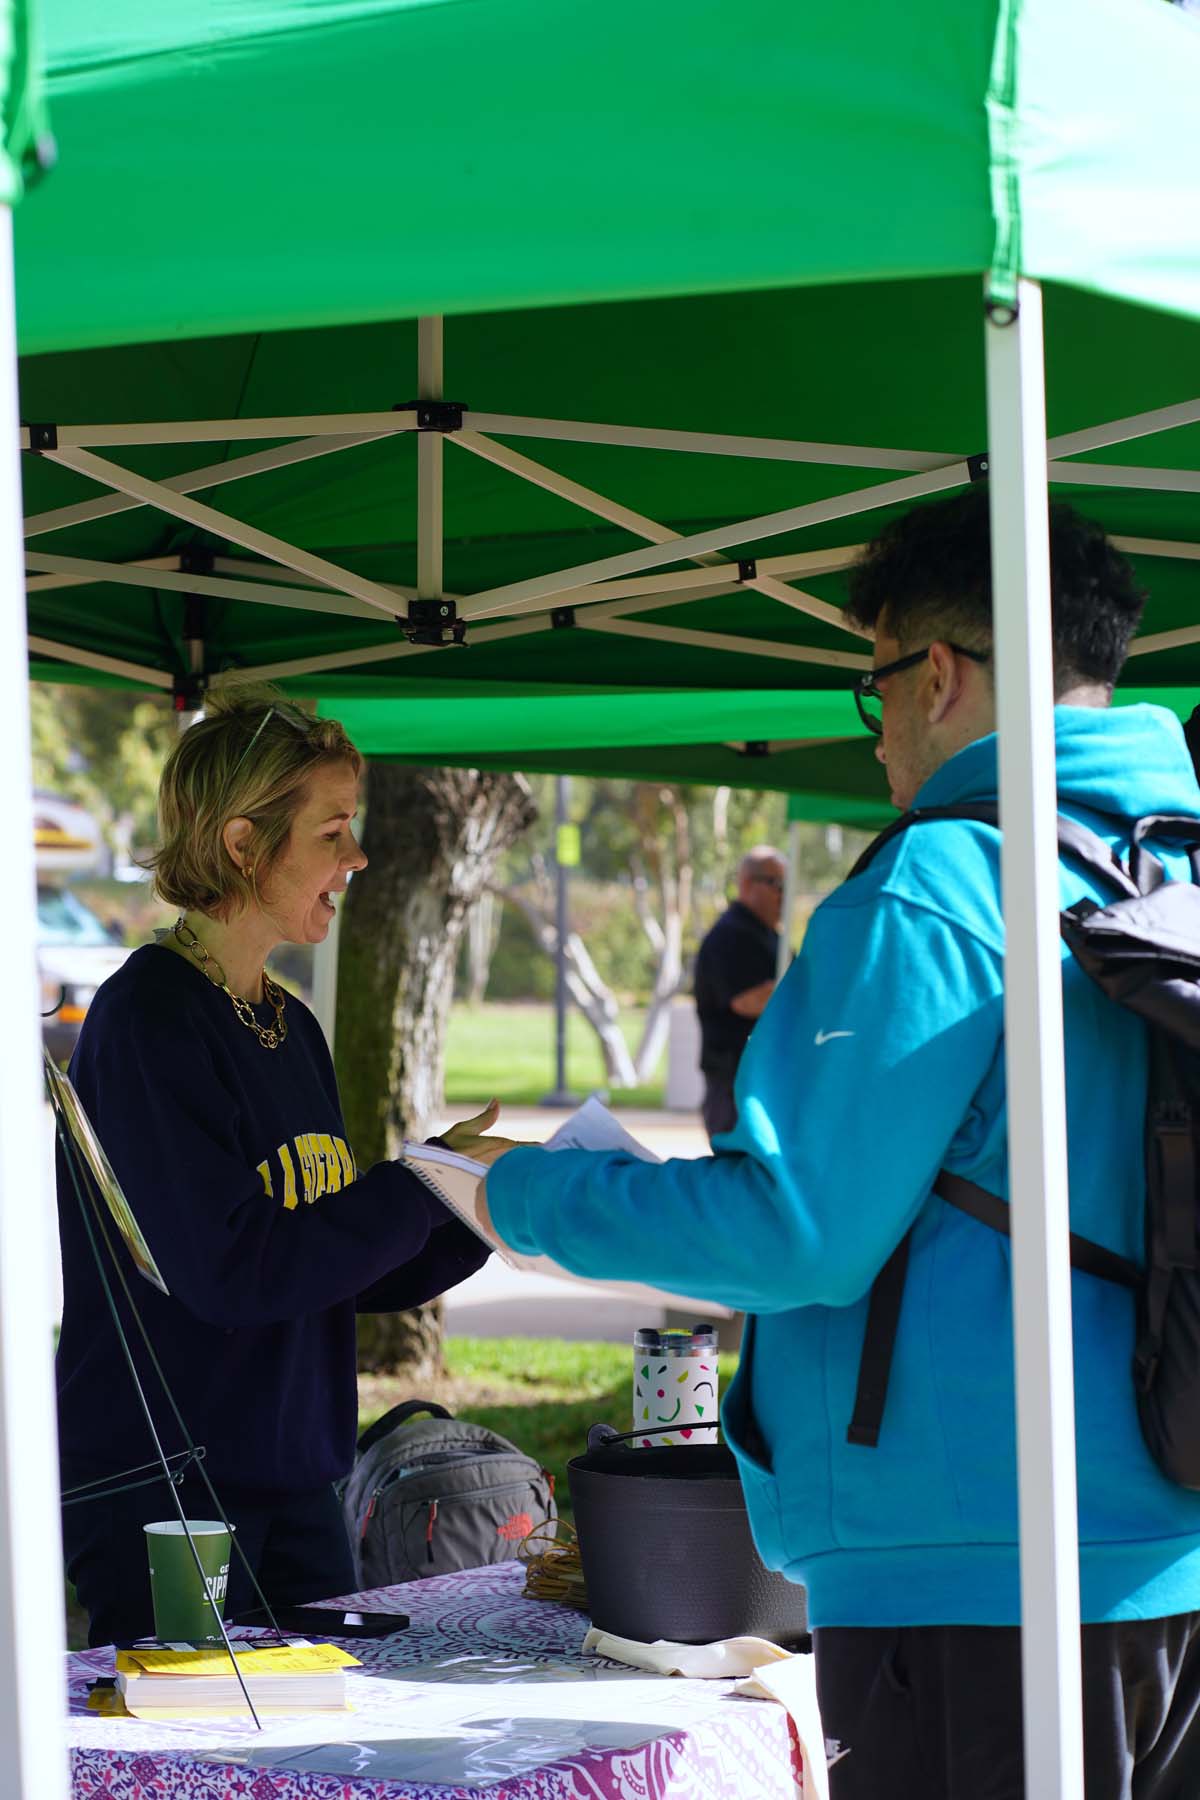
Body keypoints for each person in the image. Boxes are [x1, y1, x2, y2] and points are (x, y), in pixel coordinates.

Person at [474, 489, 1200, 1798]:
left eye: (872, 694)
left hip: (975, 1570)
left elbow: (793, 1229)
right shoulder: (1163, 862)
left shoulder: (938, 885)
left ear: (936, 674)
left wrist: (515, 1197)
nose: (874, 745)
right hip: (1169, 1549)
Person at [56, 691, 506, 1647]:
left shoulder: (291, 1024)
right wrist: (417, 1179)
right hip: (171, 1493)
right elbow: (233, 1269)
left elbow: (326, 1260)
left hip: (300, 1478)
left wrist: (477, 1203)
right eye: (333, 831)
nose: (358, 857)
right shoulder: (149, 1021)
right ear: (242, 844)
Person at [693, 845, 786, 1139]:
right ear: (747, 883)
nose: (783, 894)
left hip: (763, 1078)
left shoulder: (769, 935)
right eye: (775, 884)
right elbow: (746, 1000)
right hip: (736, 1082)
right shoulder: (732, 934)